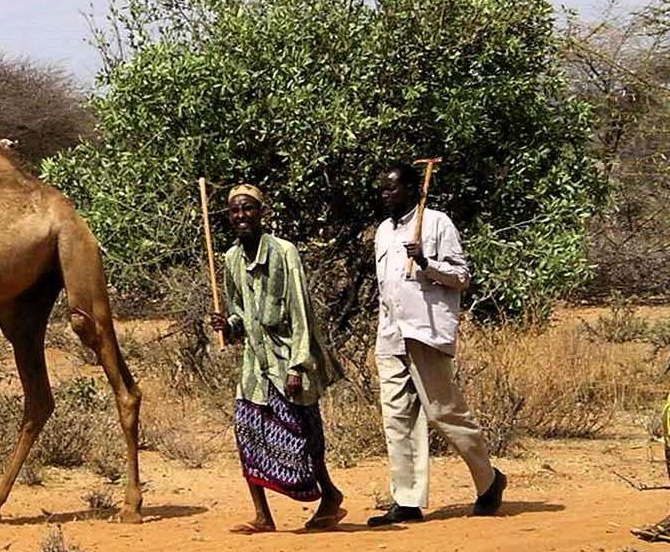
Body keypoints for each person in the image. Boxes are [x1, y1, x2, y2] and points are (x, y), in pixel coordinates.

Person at [366, 163, 507, 525]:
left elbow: (461, 276)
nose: (385, 194)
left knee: (443, 412)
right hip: (392, 334)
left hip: (425, 332)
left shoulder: (437, 223)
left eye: (391, 188)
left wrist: (427, 263)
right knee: (396, 419)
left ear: (413, 189)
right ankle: (407, 501)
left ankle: (488, 480)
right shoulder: (383, 231)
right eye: (382, 188)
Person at [206, 184, 346, 532]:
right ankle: (263, 516)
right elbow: (239, 310)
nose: (242, 216)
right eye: (235, 210)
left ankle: (329, 496)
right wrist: (229, 325)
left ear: (261, 213)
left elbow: (301, 312)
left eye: (248, 209)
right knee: (246, 431)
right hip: (255, 364)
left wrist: (299, 365)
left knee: (304, 434)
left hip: (286, 359)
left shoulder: (285, 253)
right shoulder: (230, 259)